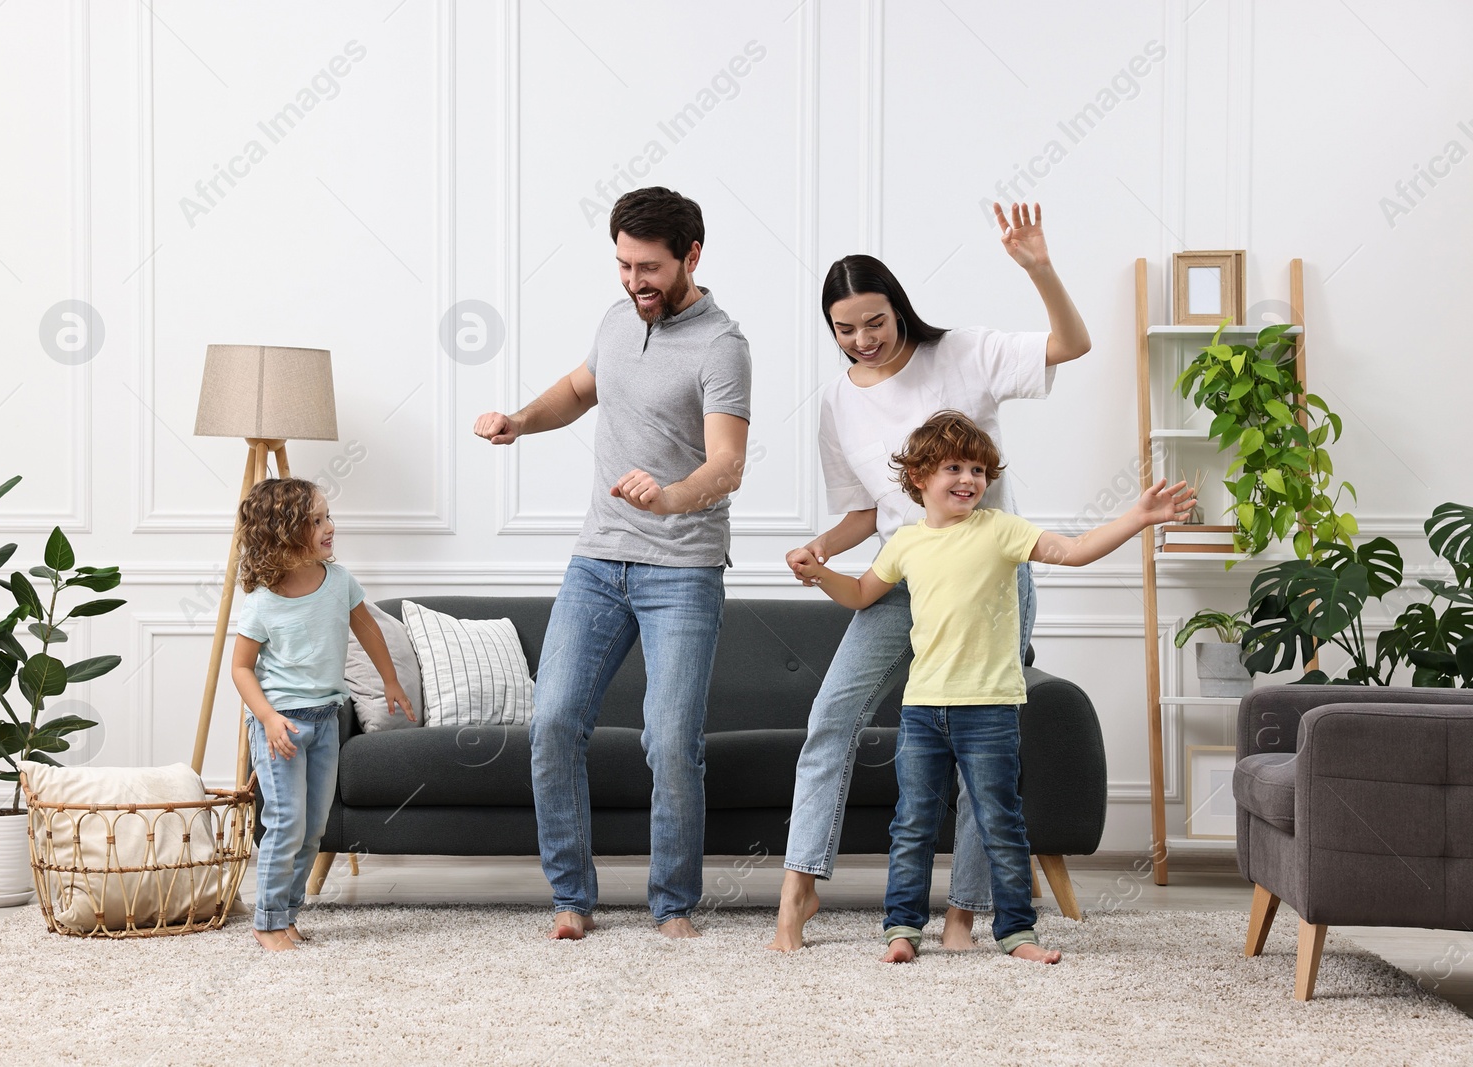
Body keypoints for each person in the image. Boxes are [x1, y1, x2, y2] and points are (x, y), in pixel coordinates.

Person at [770, 202, 1091, 952]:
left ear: (898, 307)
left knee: (987, 742)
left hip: (989, 578)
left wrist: (1038, 266)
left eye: (874, 321)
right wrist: (817, 549)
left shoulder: (963, 352)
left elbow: (1070, 345)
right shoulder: (838, 400)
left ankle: (962, 913)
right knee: (832, 715)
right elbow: (863, 512)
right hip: (900, 575)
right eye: (845, 329)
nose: (863, 338)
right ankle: (798, 889)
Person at [798, 410, 1195, 963]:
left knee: (1000, 821)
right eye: (954, 467)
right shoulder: (905, 544)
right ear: (918, 477)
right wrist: (820, 574)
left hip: (989, 709)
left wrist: (1137, 516)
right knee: (911, 823)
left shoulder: (1001, 531)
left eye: (979, 470)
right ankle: (902, 931)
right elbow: (861, 594)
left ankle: (1016, 933)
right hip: (922, 710)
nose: (969, 479)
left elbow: (1074, 551)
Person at [473, 187, 751, 940]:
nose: (635, 281)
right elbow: (578, 389)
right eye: (625, 265)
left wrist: (669, 498)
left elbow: (727, 464)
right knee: (556, 721)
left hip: (682, 570)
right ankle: (570, 896)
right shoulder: (617, 319)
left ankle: (672, 904)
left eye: (651, 267)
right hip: (598, 562)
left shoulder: (722, 346)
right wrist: (520, 422)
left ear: (692, 256)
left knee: (669, 738)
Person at [230, 478, 415, 951]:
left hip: (327, 719)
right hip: (281, 725)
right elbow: (241, 668)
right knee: (286, 820)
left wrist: (391, 681)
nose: (329, 527)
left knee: (314, 826)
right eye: (315, 520)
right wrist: (268, 718)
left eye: (328, 516)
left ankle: (287, 914)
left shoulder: (339, 582)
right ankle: (267, 920)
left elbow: (369, 629)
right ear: (285, 531)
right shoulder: (262, 601)